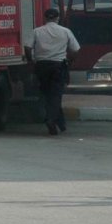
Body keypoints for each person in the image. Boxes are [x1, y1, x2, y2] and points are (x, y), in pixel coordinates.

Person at [24, 8, 80, 136]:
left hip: (41, 66)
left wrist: (30, 62)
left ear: (45, 18)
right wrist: (70, 61)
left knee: (47, 95)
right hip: (58, 66)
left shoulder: (37, 31)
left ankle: (60, 123)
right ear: (57, 18)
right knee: (55, 95)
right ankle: (51, 120)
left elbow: (27, 47)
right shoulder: (65, 31)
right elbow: (76, 49)